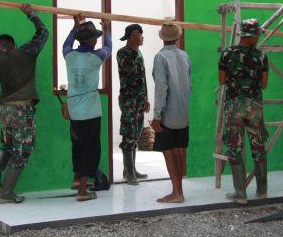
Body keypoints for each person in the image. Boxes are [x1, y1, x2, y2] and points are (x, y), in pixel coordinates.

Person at [0, 3, 48, 204]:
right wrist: (31, 14)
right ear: (13, 45)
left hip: (3, 110)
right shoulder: (26, 52)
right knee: (22, 151)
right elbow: (43, 33)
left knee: (8, 144)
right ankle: (6, 193)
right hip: (21, 109)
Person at [218, 18, 269, 203]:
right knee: (259, 148)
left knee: (234, 149)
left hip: (234, 107)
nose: (257, 39)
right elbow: (264, 84)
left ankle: (240, 194)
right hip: (254, 107)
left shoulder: (226, 54)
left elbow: (222, 81)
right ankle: (262, 191)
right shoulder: (261, 56)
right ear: (252, 36)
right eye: (257, 36)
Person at [63, 14, 112, 201]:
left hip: (75, 112)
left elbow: (67, 43)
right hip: (91, 112)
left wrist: (75, 26)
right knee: (90, 150)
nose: (97, 40)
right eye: (95, 38)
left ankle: (77, 179)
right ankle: (82, 191)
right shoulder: (96, 57)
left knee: (78, 147)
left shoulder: (69, 56)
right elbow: (109, 47)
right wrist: (107, 28)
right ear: (92, 41)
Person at [151, 21, 191, 204]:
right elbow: (189, 84)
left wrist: (156, 116)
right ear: (177, 37)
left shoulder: (160, 57)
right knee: (179, 151)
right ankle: (179, 191)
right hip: (183, 112)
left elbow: (161, 88)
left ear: (163, 38)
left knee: (168, 152)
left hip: (168, 113)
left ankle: (176, 192)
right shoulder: (184, 55)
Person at [117, 24, 150, 185]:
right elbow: (129, 68)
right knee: (128, 135)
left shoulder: (139, 53)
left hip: (139, 100)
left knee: (136, 135)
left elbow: (143, 78)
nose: (142, 37)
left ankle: (132, 170)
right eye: (139, 34)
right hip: (129, 100)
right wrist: (135, 50)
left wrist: (146, 99)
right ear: (130, 36)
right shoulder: (123, 53)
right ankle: (128, 172)